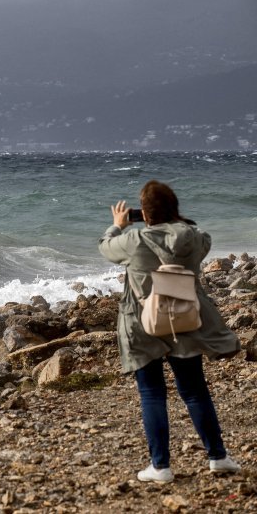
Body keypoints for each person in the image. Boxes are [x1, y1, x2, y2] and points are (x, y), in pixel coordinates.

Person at [98, 180, 241, 483]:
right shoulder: (191, 238)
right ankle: (218, 457)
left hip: (142, 322)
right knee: (194, 390)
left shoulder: (134, 239)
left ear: (144, 215)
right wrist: (175, 221)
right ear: (174, 210)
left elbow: (105, 247)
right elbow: (204, 237)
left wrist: (117, 225)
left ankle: (160, 466)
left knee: (151, 393)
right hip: (183, 320)